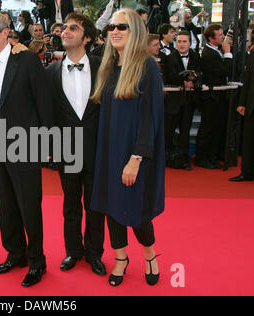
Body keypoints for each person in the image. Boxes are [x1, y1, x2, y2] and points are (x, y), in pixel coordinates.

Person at [90, 9, 165, 287]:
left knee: (137, 209)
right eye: (111, 27)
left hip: (134, 153)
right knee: (111, 207)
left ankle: (149, 254)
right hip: (108, 152)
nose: (115, 31)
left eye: (122, 26)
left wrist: (136, 159)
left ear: (135, 31)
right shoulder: (108, 67)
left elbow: (151, 119)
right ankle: (120, 258)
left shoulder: (147, 67)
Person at [0, 12, 53, 287]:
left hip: (25, 144)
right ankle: (16, 254)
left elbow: (44, 102)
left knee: (29, 206)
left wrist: (47, 143)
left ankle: (37, 262)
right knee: (6, 203)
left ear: (5, 32)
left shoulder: (27, 60)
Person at [46, 13, 106, 276]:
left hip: (97, 148)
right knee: (70, 203)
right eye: (64, 28)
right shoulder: (50, 72)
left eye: (73, 28)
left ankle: (94, 253)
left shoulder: (103, 66)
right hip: (65, 149)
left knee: (95, 205)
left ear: (88, 37)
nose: (65, 31)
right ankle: (73, 251)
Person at [195, 24, 233, 169]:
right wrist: (228, 53)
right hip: (211, 98)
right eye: (220, 35)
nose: (223, 37)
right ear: (211, 38)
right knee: (208, 128)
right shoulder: (209, 54)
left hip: (217, 97)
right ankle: (202, 157)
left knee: (215, 127)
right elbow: (224, 71)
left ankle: (212, 156)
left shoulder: (214, 51)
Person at [164, 30, 201, 170]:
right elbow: (170, 76)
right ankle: (168, 158)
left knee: (185, 131)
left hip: (189, 101)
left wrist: (193, 82)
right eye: (179, 41)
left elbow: (199, 72)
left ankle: (184, 160)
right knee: (169, 130)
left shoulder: (196, 56)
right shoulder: (171, 57)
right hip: (174, 101)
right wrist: (183, 82)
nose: (181, 44)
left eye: (184, 41)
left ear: (190, 43)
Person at [230, 48, 254, 182]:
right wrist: (242, 102)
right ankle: (247, 172)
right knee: (248, 140)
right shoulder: (253, 54)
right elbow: (248, 78)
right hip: (251, 104)